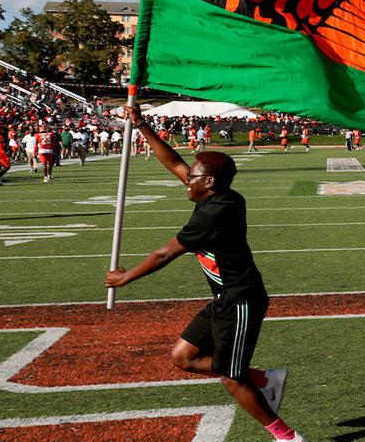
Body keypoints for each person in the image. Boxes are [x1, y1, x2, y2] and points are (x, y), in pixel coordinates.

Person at [105, 104, 303, 442]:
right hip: (223, 299)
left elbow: (164, 253)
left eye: (192, 178)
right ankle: (264, 379)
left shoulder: (212, 214)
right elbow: (174, 163)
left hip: (241, 300)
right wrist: (142, 125)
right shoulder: (217, 195)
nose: (186, 180)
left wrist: (125, 278)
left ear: (208, 182)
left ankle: (288, 438)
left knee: (231, 378)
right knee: (183, 357)